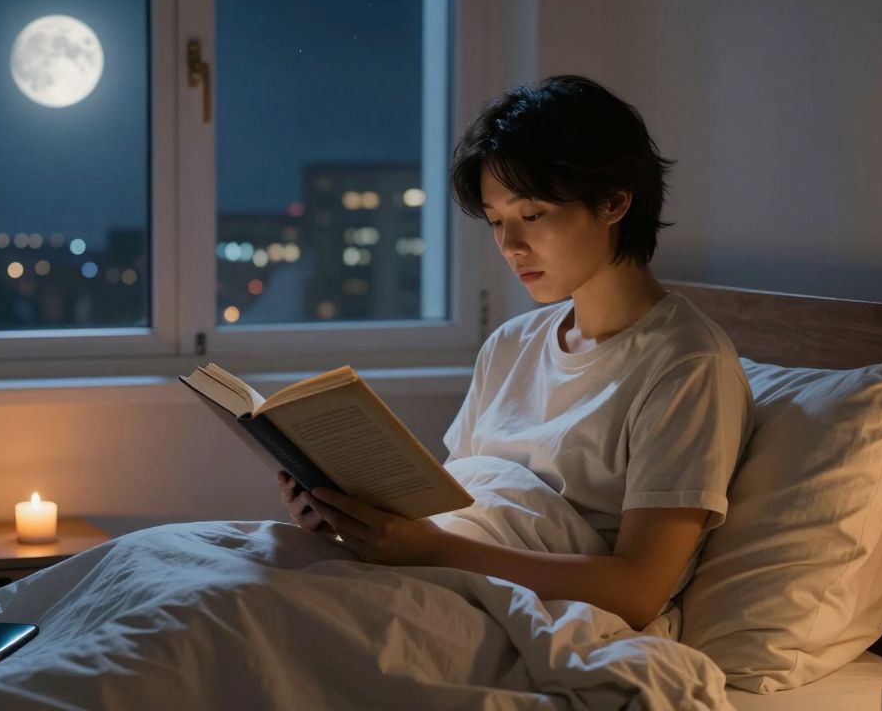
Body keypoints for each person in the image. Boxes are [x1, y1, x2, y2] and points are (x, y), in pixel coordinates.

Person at [275, 74, 755, 632]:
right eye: (497, 221)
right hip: (445, 580)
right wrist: (344, 522)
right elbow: (457, 513)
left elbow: (639, 590)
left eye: (532, 215)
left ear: (613, 201)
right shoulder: (511, 344)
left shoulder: (686, 366)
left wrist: (430, 550)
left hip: (539, 617)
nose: (510, 246)